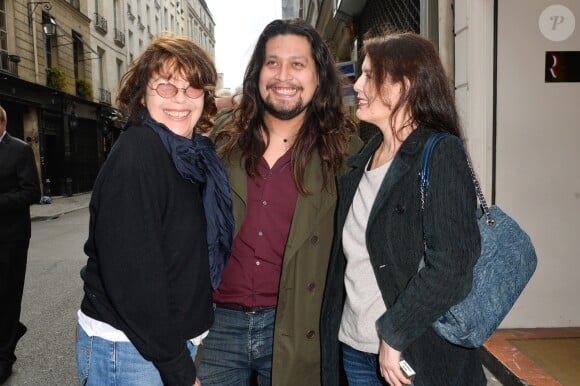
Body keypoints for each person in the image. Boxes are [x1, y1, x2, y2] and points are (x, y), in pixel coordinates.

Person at [197, 18, 362, 386]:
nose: (282, 75)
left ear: (319, 76)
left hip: (299, 324)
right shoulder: (222, 138)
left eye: (297, 64)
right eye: (272, 63)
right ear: (257, 73)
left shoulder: (344, 150)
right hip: (216, 324)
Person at [320, 32, 487, 386]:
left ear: (403, 87)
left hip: (409, 352)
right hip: (354, 345)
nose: (358, 85)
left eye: (369, 75)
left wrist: (395, 334)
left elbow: (453, 265)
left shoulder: (440, 153)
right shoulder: (363, 159)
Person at [75, 36, 233, 386]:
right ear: (142, 95)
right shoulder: (139, 152)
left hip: (160, 343)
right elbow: (133, 278)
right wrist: (176, 366)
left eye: (192, 88)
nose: (179, 99)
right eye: (165, 86)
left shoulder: (191, 156)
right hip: (133, 351)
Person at [0, 106, 41, 385]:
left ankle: (4, 359)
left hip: (10, 238)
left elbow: (31, 192)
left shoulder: (19, 150)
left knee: (6, 298)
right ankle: (11, 331)